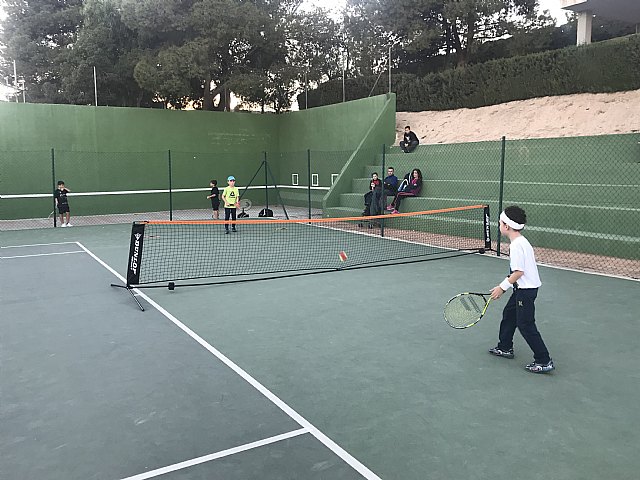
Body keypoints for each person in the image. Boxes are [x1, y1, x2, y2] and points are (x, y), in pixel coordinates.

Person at [488, 205, 555, 374]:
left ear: (507, 226)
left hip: (525, 291)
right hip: (523, 289)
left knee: (525, 325)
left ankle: (544, 359)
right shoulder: (521, 241)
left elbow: (519, 272)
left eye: (500, 222)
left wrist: (501, 288)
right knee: (509, 315)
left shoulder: (517, 246)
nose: (499, 225)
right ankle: (505, 347)